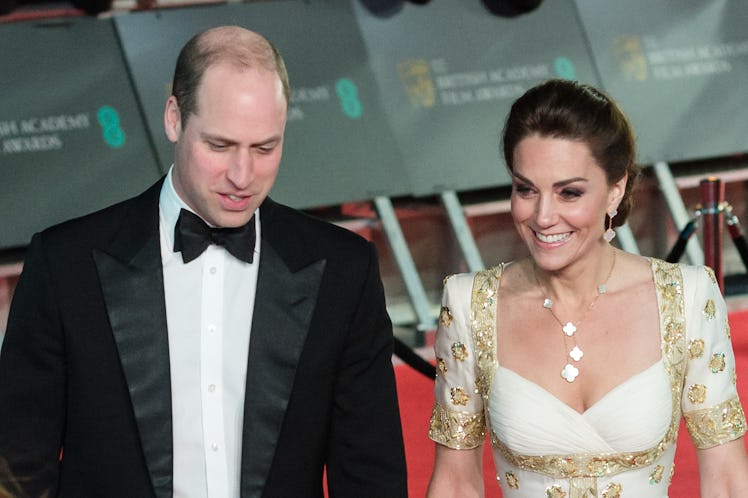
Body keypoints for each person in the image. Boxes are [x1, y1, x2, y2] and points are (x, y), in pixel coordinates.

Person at [0, 26, 407, 498]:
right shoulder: (66, 265)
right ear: (174, 118)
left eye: (264, 148)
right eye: (219, 146)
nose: (242, 176)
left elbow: (370, 474)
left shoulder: (343, 270)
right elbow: (17, 464)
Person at [426, 79, 748, 497]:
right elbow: (455, 483)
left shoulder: (686, 297)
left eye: (569, 192)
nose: (543, 216)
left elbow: (727, 479)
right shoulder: (470, 305)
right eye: (526, 189)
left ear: (615, 190)